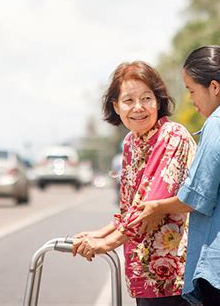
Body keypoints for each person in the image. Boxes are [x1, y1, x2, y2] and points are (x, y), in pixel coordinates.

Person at [130, 45, 220, 306]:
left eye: (192, 90)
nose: (191, 99)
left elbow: (195, 197)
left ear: (214, 88)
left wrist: (156, 207)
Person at [72, 61, 197, 306]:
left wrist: (105, 244)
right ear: (116, 106)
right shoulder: (131, 143)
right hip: (143, 268)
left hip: (176, 273)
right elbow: (131, 208)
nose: (138, 108)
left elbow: (149, 209)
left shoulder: (172, 136)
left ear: (158, 102)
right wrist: (100, 233)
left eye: (146, 98)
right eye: (128, 101)